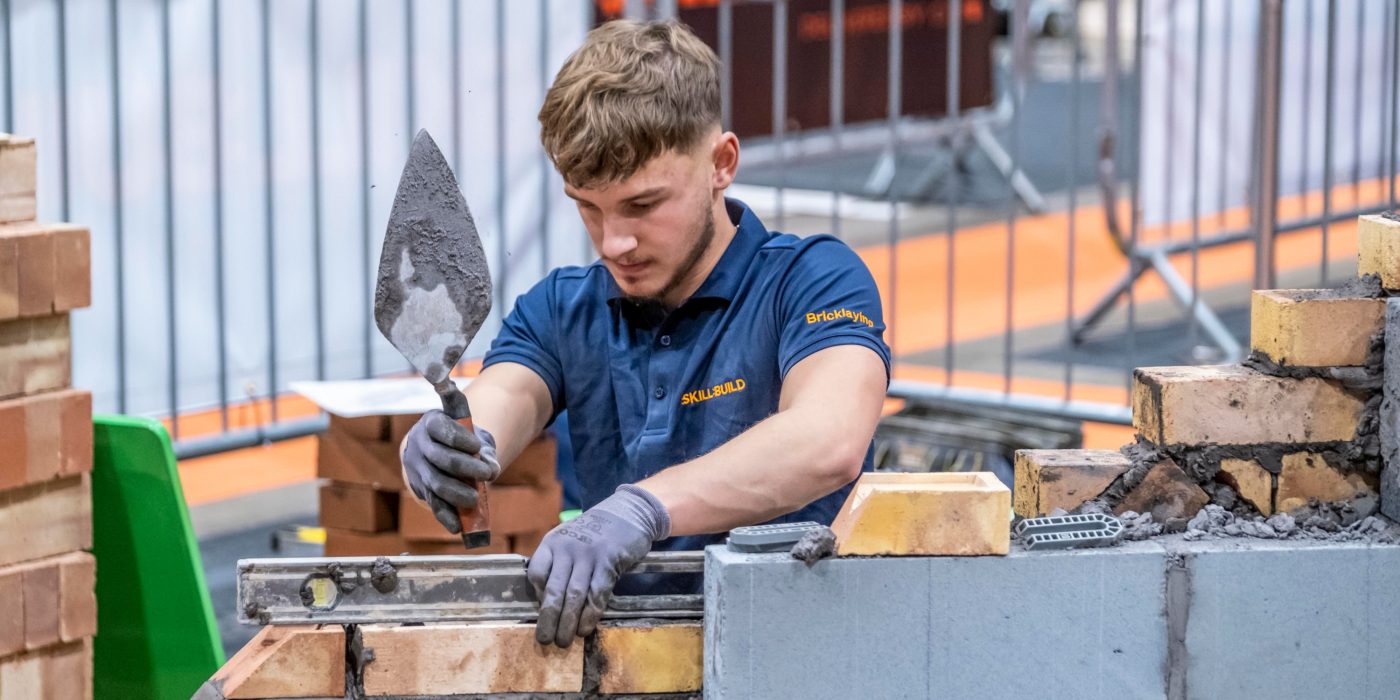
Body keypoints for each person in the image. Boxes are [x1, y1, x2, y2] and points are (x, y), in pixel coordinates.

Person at [399, 19, 889, 649]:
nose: (614, 242)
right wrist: (455, 449)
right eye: (588, 206)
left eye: (642, 205)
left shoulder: (812, 280)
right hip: (626, 661)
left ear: (722, 164)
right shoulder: (561, 307)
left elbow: (829, 440)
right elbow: (504, 401)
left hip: (799, 650)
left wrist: (641, 508)